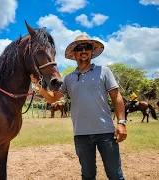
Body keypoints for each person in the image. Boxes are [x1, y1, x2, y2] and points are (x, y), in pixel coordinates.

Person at [32, 34, 127, 179]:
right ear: (74, 53)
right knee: (87, 176)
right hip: (81, 135)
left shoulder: (104, 71)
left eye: (87, 47)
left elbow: (116, 97)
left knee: (115, 174)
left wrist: (121, 123)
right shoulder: (68, 78)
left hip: (106, 133)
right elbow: (52, 99)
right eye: (79, 48)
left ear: (92, 52)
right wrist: (39, 86)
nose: (83, 51)